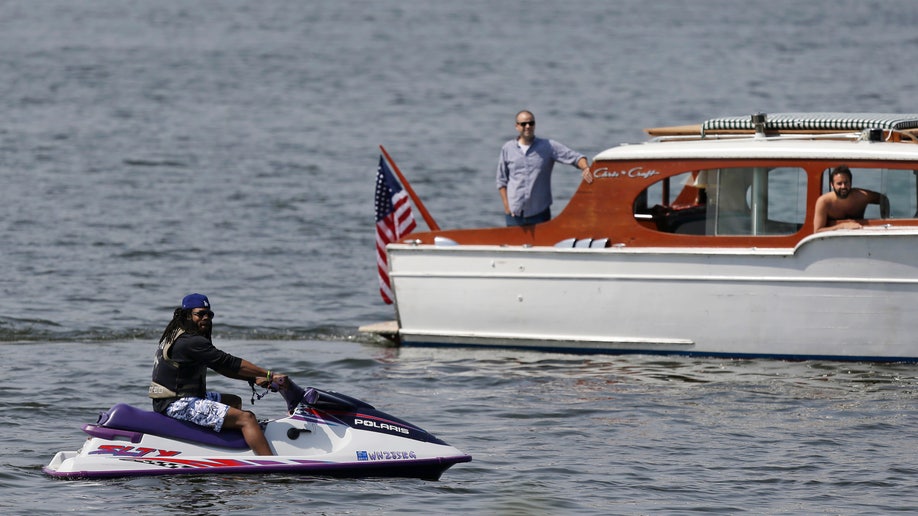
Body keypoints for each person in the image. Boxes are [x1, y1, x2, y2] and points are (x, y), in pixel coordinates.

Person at [149, 293, 285, 456]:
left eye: (209, 314)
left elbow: (222, 367)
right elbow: (229, 362)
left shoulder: (178, 334)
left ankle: (225, 449)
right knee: (247, 419)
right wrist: (269, 374)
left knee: (233, 401)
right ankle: (269, 464)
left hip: (180, 397)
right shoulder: (190, 341)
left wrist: (253, 378)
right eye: (200, 314)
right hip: (177, 403)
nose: (206, 317)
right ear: (187, 315)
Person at [496, 110, 593, 226]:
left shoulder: (548, 146)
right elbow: (501, 181)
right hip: (514, 214)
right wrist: (507, 207)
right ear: (517, 126)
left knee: (542, 244)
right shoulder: (507, 148)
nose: (527, 126)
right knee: (512, 244)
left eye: (531, 123)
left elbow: (576, 158)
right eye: (523, 124)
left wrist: (585, 168)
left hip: (539, 213)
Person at [813, 165, 890, 232]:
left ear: (851, 182)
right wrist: (842, 226)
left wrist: (885, 221)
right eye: (839, 184)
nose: (843, 187)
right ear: (832, 185)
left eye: (846, 183)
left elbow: (884, 200)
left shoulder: (862, 196)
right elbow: (817, 230)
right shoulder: (824, 202)